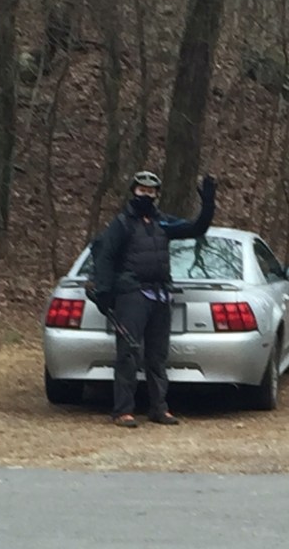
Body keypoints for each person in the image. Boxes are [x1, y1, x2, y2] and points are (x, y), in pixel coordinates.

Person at [90, 169, 216, 427]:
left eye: (150, 192)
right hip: (132, 294)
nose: (146, 195)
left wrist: (208, 203)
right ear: (133, 192)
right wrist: (104, 293)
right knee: (128, 354)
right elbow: (105, 258)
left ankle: (159, 408)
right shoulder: (122, 224)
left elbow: (196, 228)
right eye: (141, 190)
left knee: (157, 356)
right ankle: (123, 410)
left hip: (160, 295)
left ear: (157, 194)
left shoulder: (163, 223)